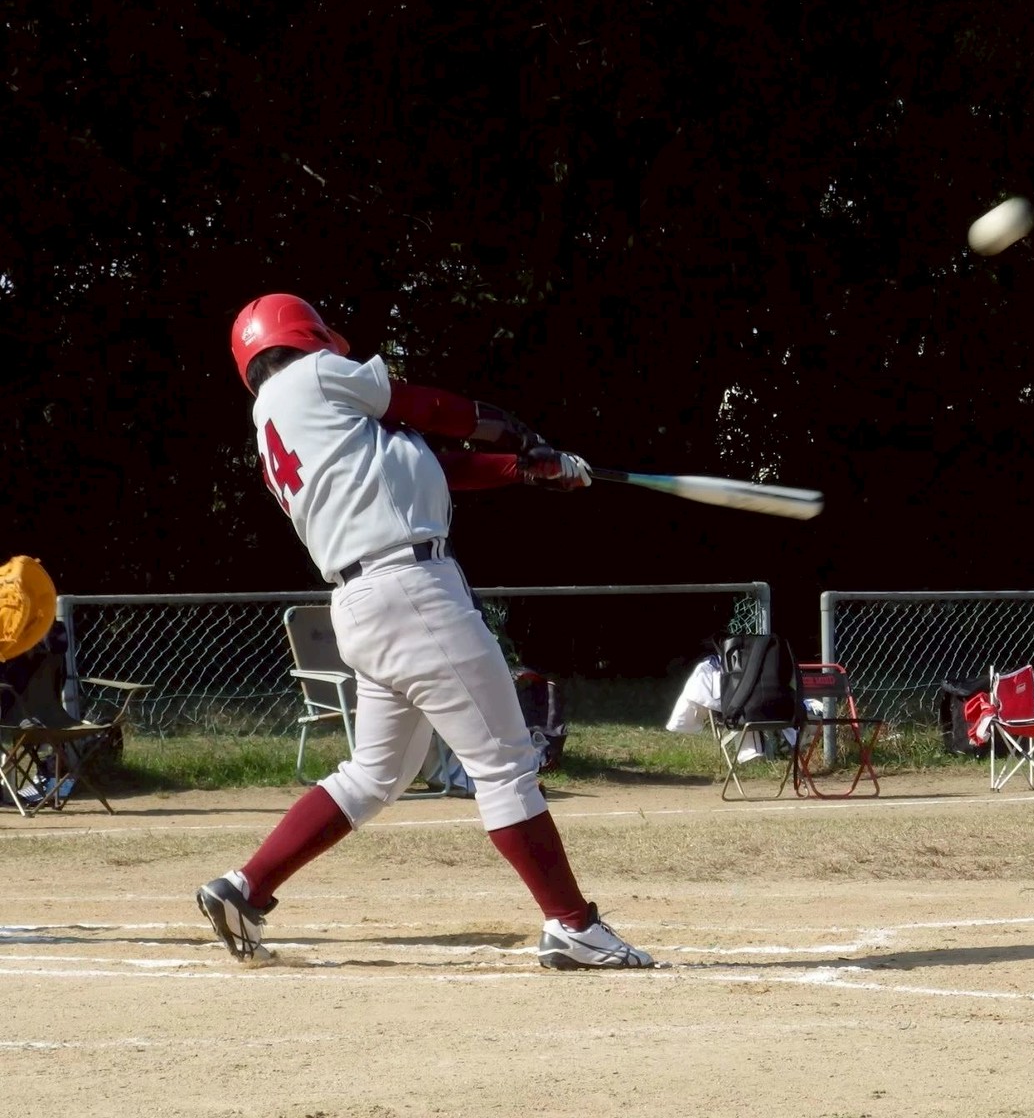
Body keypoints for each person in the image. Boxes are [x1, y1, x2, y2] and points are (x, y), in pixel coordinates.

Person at [196, 293, 652, 970]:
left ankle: (246, 887)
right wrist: (513, 429)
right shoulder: (314, 377)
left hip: (365, 603)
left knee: (373, 776)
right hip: (411, 592)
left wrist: (527, 467)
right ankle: (572, 924)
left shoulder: (293, 422)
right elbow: (431, 409)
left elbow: (428, 467)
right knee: (504, 763)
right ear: (307, 335)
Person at [664, 649, 795, 762]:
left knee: (741, 711)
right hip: (782, 715)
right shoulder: (776, 664)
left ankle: (754, 750)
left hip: (746, 715)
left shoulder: (714, 669)